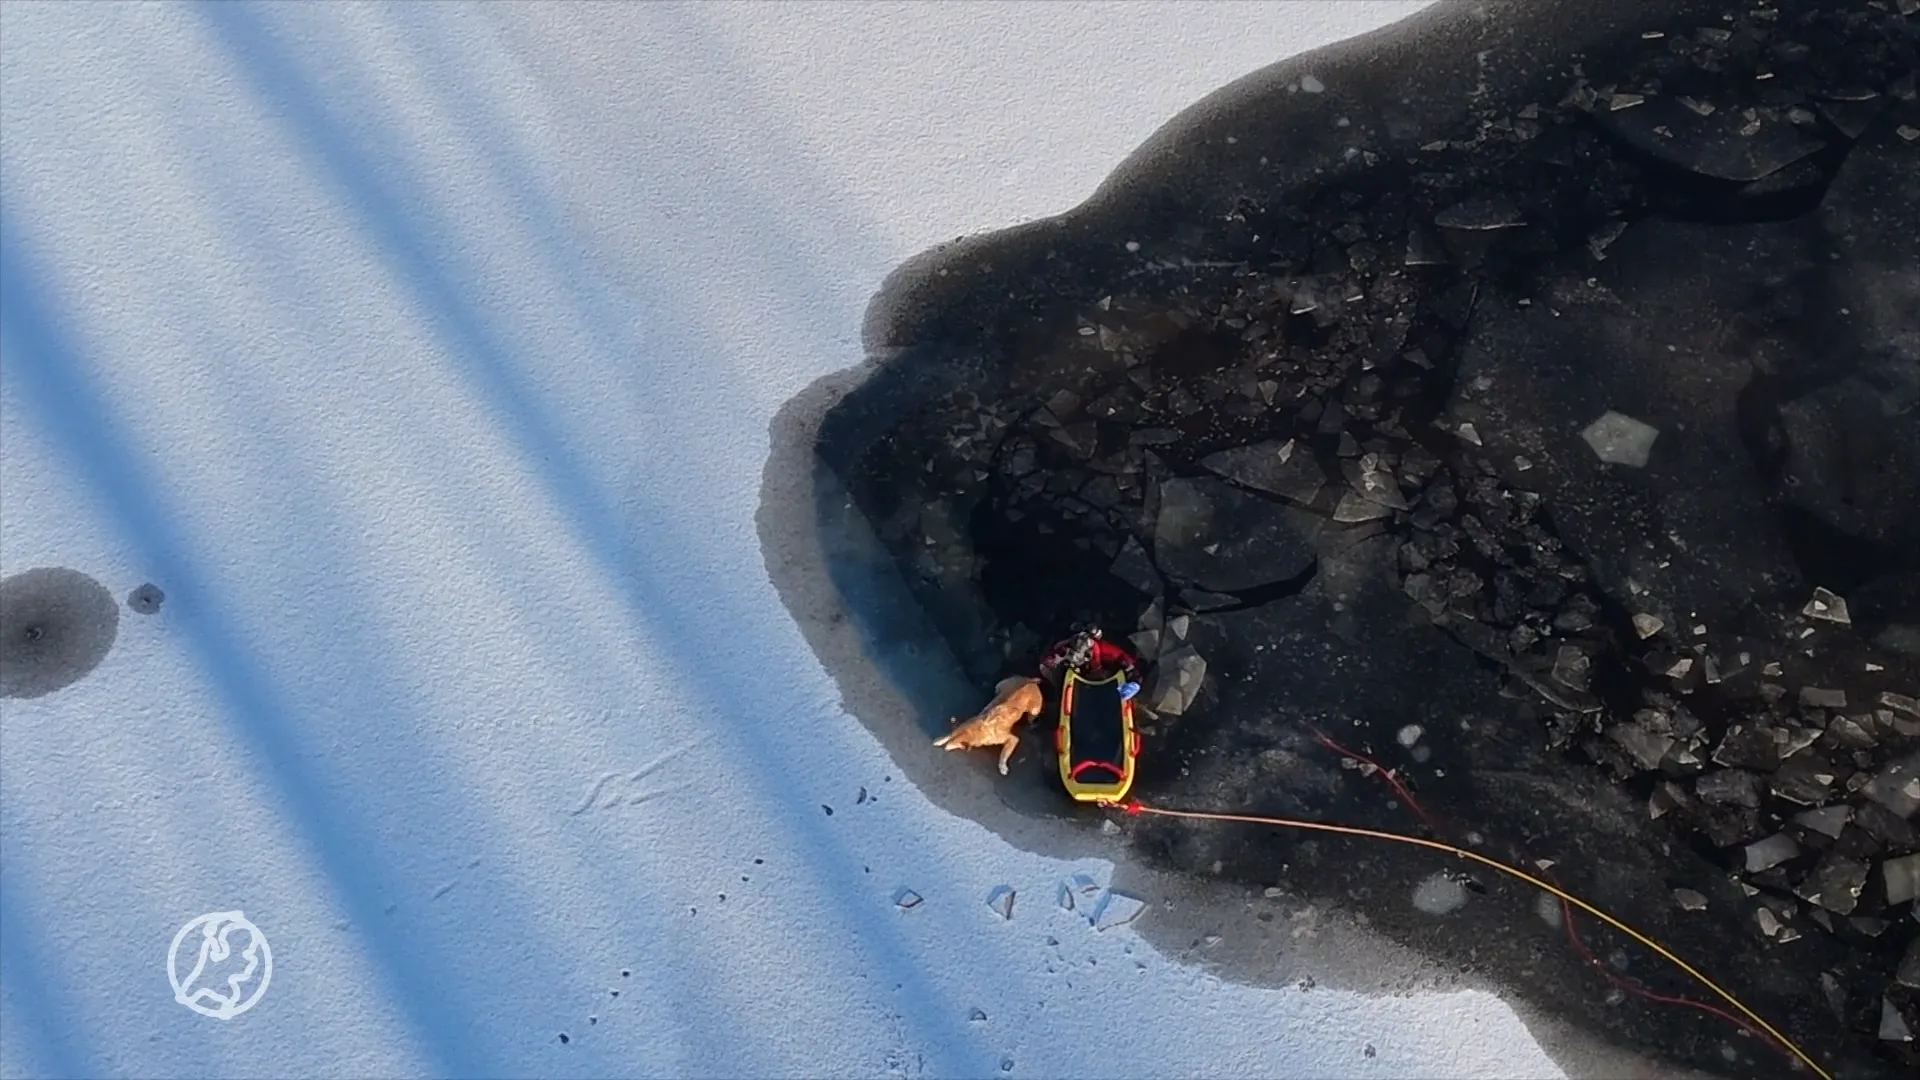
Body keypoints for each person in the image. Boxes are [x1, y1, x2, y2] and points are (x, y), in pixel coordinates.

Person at [1038, 626, 1141, 701]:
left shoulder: (1108, 652)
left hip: (1103, 681)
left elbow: (1130, 666)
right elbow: (1045, 662)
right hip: (1073, 681)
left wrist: (1135, 683)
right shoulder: (1062, 647)